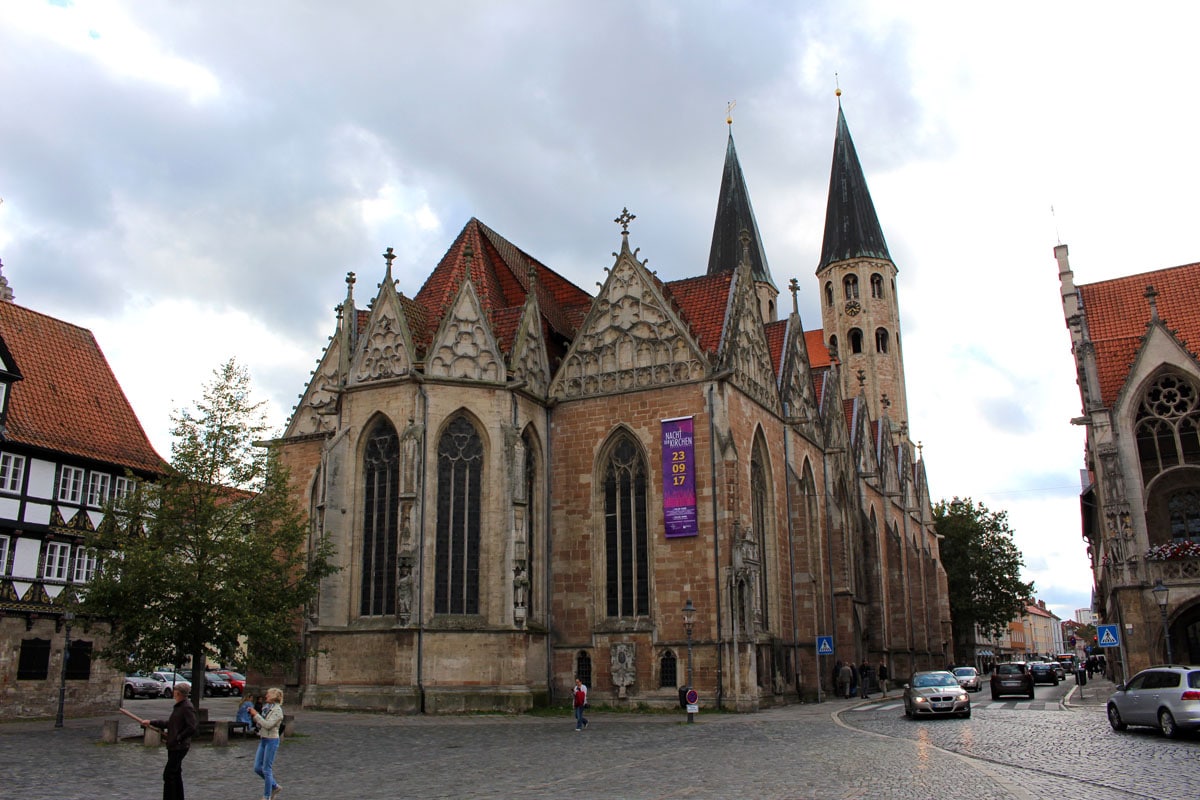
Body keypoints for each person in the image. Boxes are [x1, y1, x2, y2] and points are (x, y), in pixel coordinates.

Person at [140, 682, 198, 800]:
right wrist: (151, 722)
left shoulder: (186, 707)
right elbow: (170, 724)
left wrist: (179, 737)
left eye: (175, 691)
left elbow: (192, 727)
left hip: (179, 746)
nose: (173, 693)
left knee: (169, 774)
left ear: (178, 693)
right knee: (175, 774)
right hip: (174, 745)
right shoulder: (179, 707)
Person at [249, 687, 285, 800]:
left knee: (266, 769)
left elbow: (268, 724)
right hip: (263, 739)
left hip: (272, 740)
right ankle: (274, 786)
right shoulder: (266, 708)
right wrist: (254, 715)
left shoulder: (277, 711)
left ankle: (267, 796)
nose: (266, 696)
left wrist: (256, 715)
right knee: (257, 768)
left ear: (274, 696)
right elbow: (261, 723)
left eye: (268, 695)